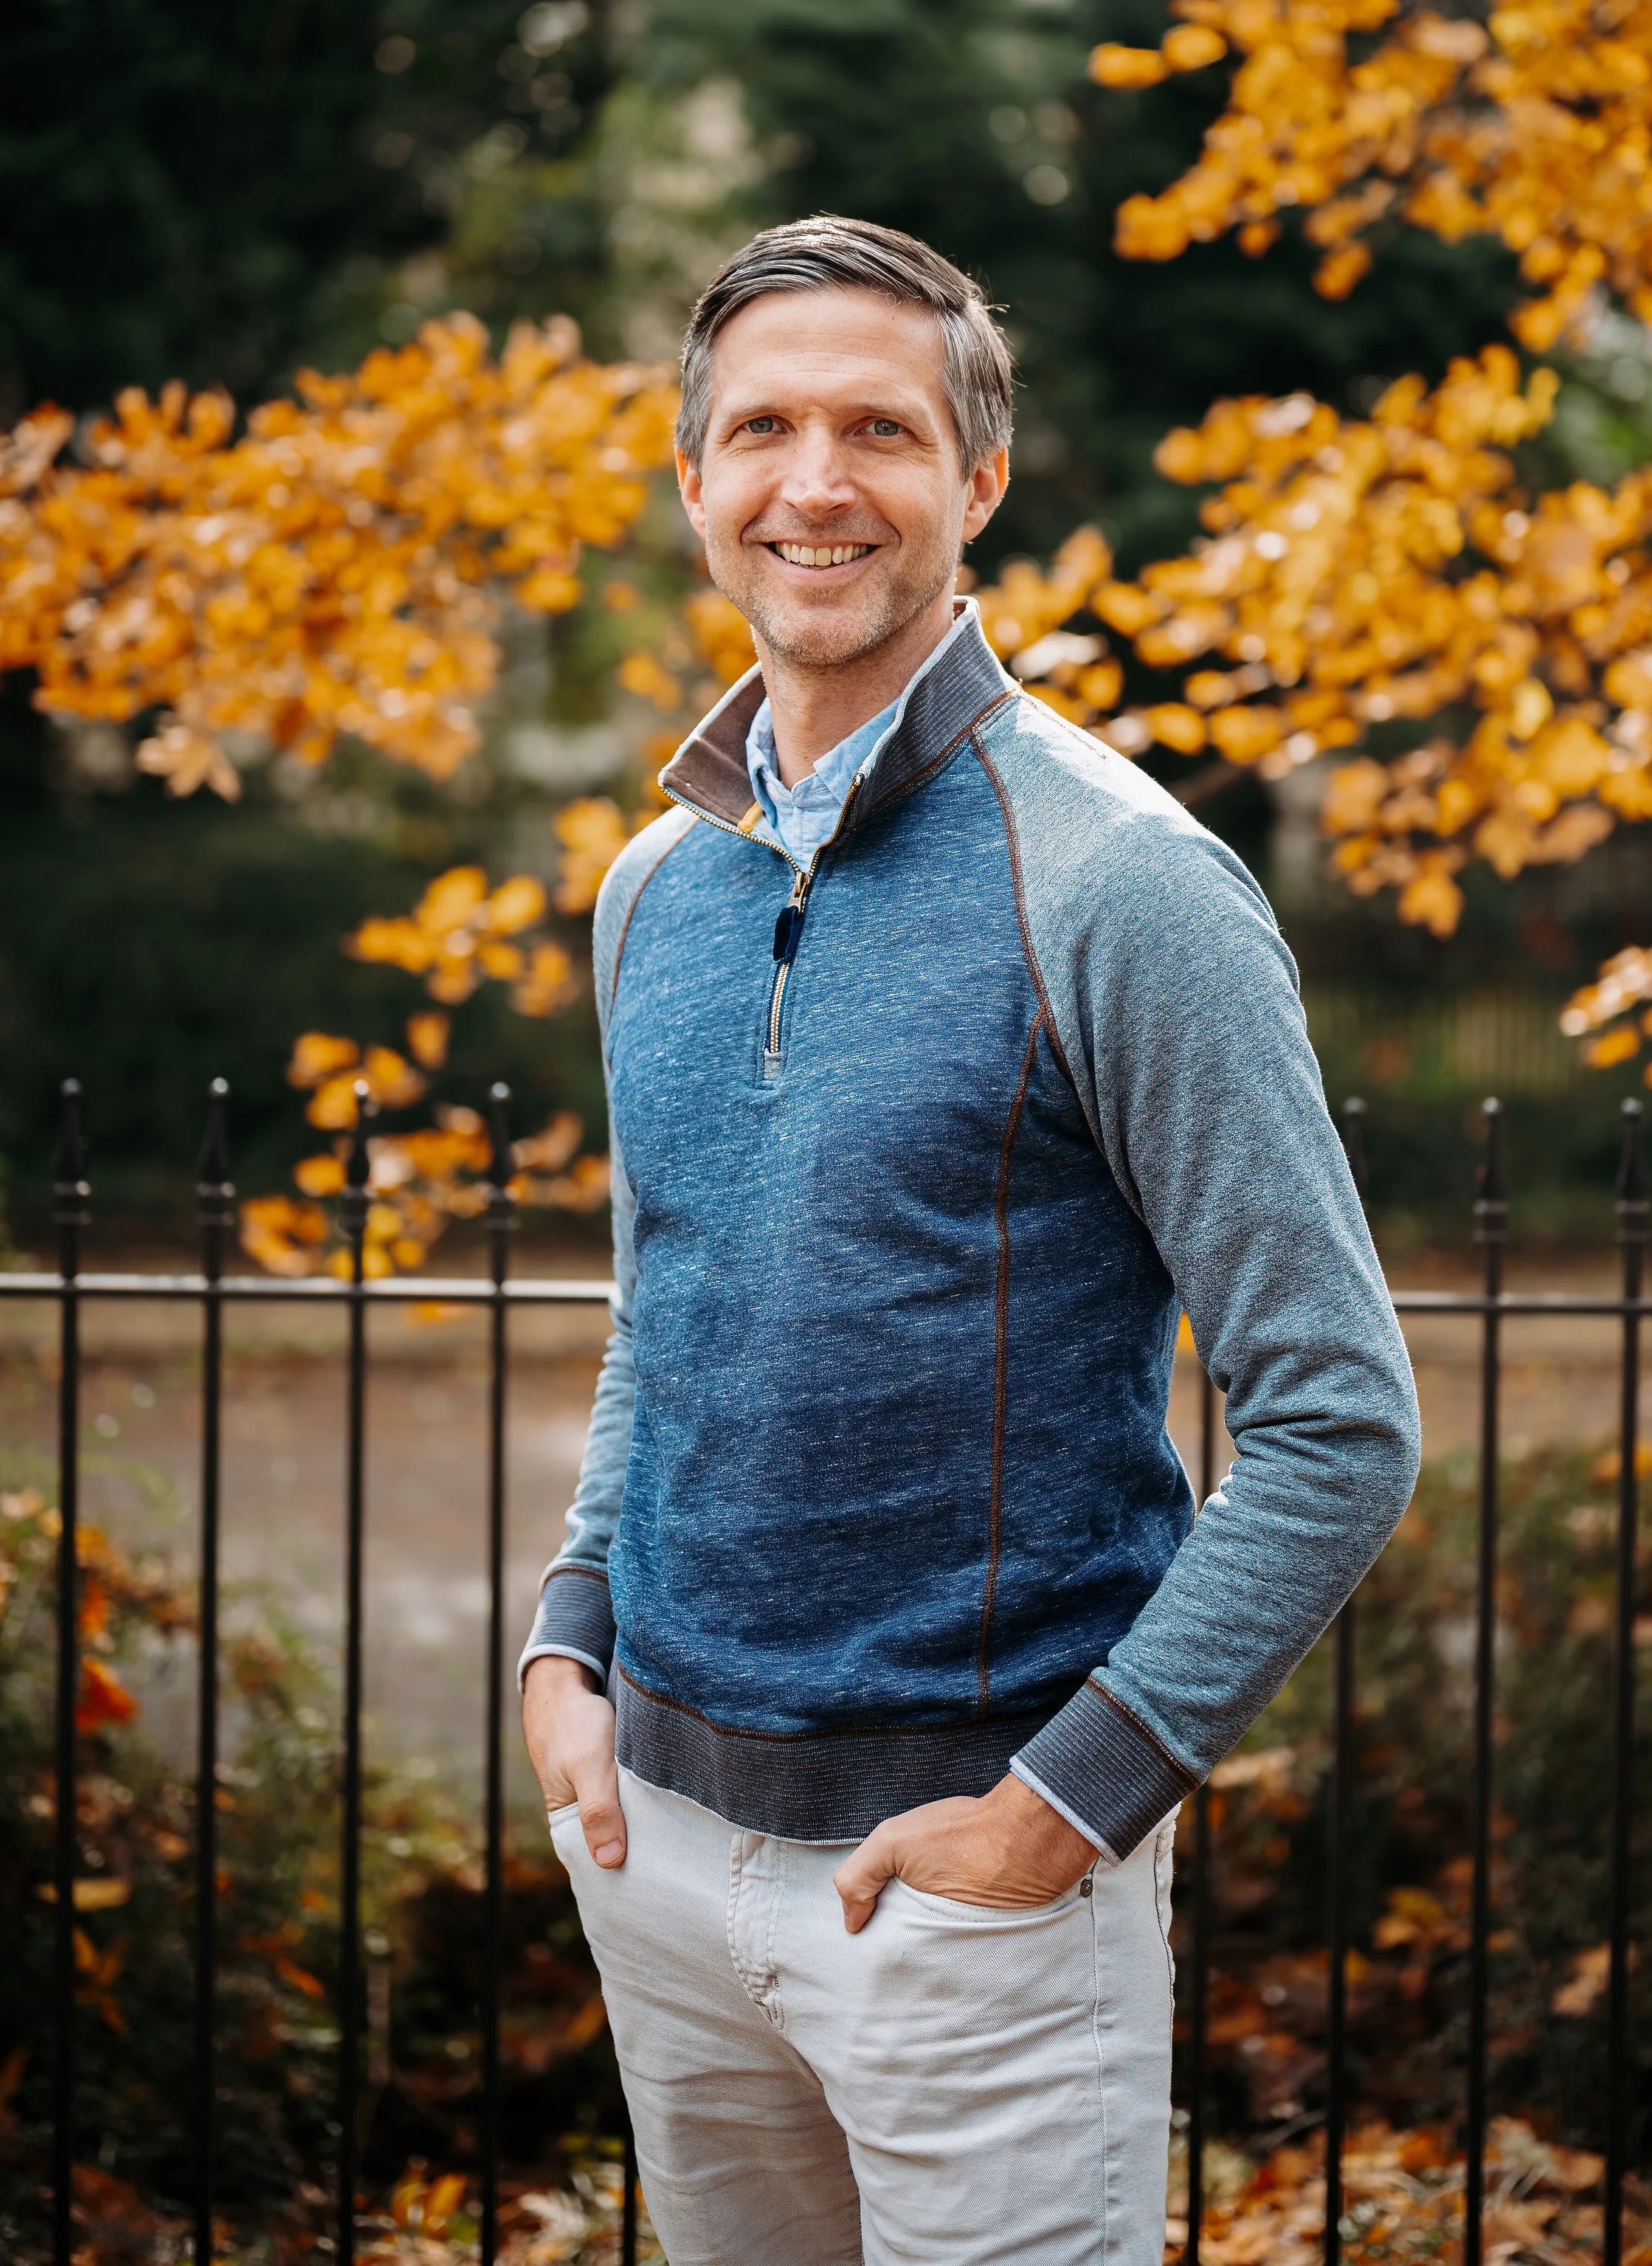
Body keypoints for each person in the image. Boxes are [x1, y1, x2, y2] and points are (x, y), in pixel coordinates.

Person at [519, 215, 1420, 2266]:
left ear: (979, 478)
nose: (814, 481)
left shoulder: (1123, 881)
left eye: (881, 429)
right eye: (763, 429)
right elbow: (665, 1315)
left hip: (977, 1903)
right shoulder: (653, 890)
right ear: (694, 482)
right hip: (656, 1855)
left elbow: (1336, 1418)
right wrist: (571, 1637)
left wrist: (1066, 1803)